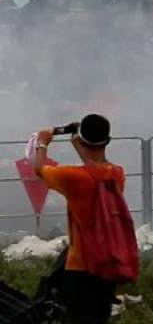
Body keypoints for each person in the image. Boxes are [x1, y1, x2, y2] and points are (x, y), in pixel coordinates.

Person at [32, 115, 127, 324]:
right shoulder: (118, 174)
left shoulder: (73, 177)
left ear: (82, 142)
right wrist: (80, 142)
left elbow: (39, 168)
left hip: (81, 266)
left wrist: (42, 142)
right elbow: (94, 164)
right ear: (107, 141)